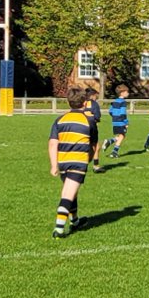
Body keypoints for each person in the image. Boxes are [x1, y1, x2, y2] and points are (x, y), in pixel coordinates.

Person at [48, 86, 99, 238]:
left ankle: (75, 221)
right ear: (85, 102)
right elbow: (94, 145)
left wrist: (53, 164)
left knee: (72, 192)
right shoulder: (89, 121)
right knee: (68, 194)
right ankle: (59, 229)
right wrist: (90, 159)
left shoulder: (60, 120)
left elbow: (52, 143)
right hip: (78, 162)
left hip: (63, 161)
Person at [102, 84, 129, 158]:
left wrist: (114, 117)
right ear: (122, 92)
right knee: (122, 135)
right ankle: (114, 151)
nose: (128, 93)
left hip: (115, 121)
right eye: (127, 92)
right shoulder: (123, 102)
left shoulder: (114, 101)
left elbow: (110, 111)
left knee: (120, 135)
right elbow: (123, 113)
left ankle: (110, 142)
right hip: (121, 121)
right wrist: (126, 122)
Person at [83, 87, 104, 172]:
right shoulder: (94, 104)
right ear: (92, 96)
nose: (96, 97)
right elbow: (97, 116)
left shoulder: (82, 103)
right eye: (96, 96)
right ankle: (95, 166)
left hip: (81, 126)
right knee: (95, 146)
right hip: (91, 126)